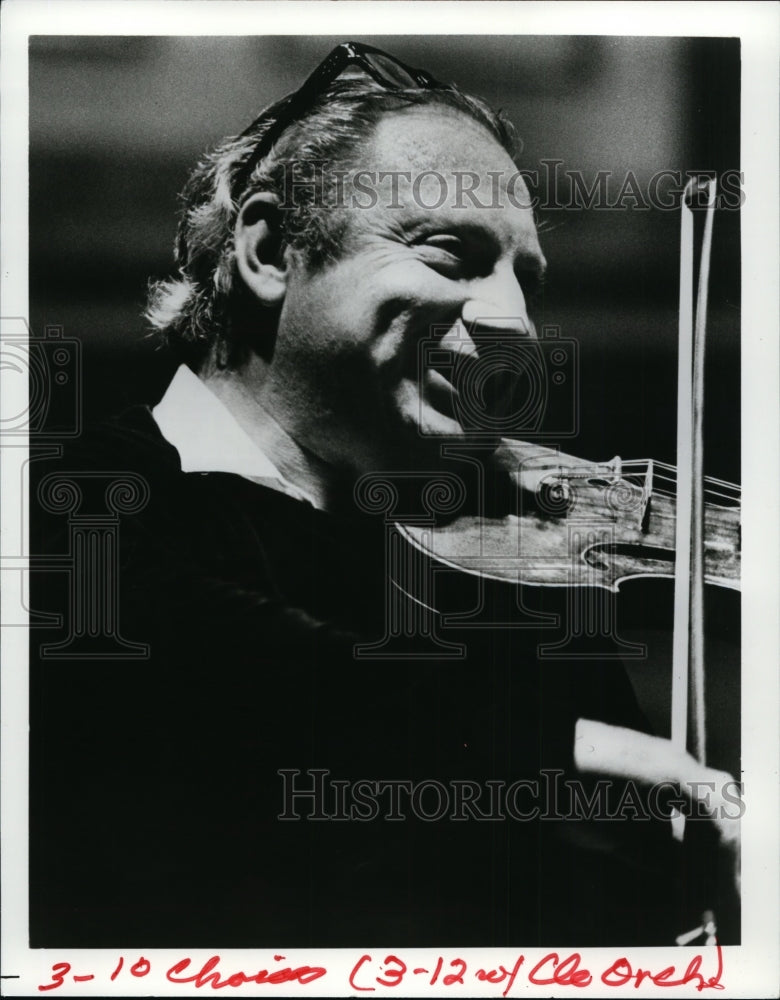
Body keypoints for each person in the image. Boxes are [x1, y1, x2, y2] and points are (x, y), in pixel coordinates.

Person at [29, 42, 739, 949]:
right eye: (452, 255)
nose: (514, 323)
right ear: (270, 250)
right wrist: (577, 752)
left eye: (527, 282)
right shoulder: (77, 511)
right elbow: (217, 666)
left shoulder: (504, 566)